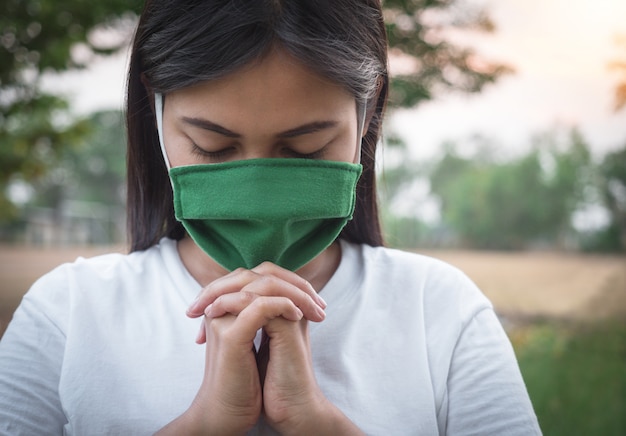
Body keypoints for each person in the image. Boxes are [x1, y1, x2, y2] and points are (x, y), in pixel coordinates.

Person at [0, 0, 541, 434]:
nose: (257, 189)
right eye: (212, 146)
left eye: (306, 150)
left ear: (368, 111)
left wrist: (321, 426)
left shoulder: (441, 312)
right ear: (155, 106)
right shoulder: (66, 315)